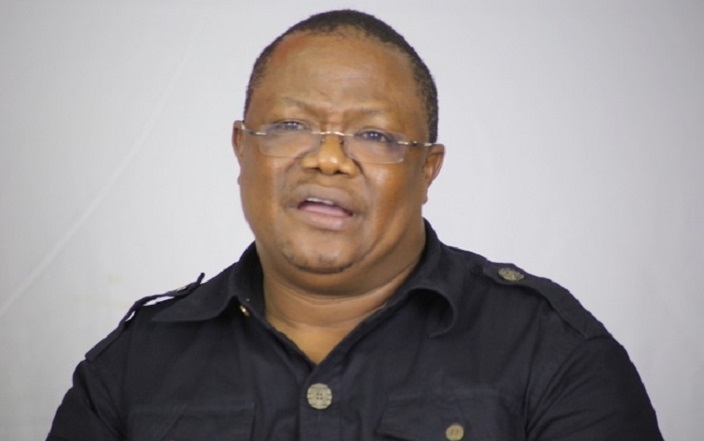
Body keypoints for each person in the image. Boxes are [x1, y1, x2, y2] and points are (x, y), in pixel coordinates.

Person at [47, 9, 663, 441]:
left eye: (373, 135)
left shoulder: (551, 354)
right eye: (291, 126)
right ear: (242, 149)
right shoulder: (133, 367)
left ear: (427, 170)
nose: (328, 158)